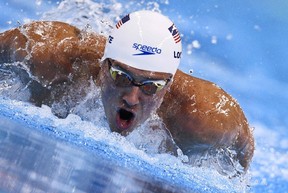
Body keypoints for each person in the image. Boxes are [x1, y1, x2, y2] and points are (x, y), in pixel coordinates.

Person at [0, 10, 254, 175]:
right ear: (102, 67)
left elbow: (243, 153)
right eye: (121, 76)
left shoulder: (204, 117)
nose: (131, 98)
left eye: (150, 87)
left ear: (167, 87)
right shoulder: (48, 54)